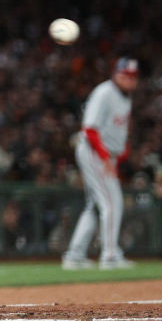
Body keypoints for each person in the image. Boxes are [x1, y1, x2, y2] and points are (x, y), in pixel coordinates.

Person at [62, 57, 139, 270]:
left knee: (95, 206)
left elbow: (118, 133)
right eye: (125, 76)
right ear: (116, 74)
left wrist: (116, 158)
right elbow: (90, 129)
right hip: (93, 151)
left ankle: (75, 255)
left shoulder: (126, 98)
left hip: (105, 155)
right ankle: (110, 255)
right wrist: (106, 158)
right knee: (112, 202)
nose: (129, 80)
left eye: (133, 77)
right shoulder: (104, 92)